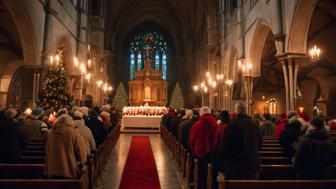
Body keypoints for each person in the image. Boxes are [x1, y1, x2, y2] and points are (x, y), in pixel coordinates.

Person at [221, 102, 262, 179]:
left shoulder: (231, 125)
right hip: (252, 165)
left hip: (236, 167)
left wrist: (226, 163)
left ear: (236, 111)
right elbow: (260, 144)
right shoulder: (255, 125)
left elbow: (226, 147)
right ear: (246, 111)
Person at [45, 114, 87, 179]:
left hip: (52, 170)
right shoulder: (73, 133)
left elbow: (47, 149)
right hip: (68, 170)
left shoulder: (50, 133)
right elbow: (81, 151)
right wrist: (83, 163)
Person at [189, 106, 217, 189]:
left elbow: (192, 140)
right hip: (212, 153)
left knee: (202, 175)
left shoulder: (197, 124)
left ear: (201, 114)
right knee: (211, 173)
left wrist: (194, 154)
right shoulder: (215, 123)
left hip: (201, 153)